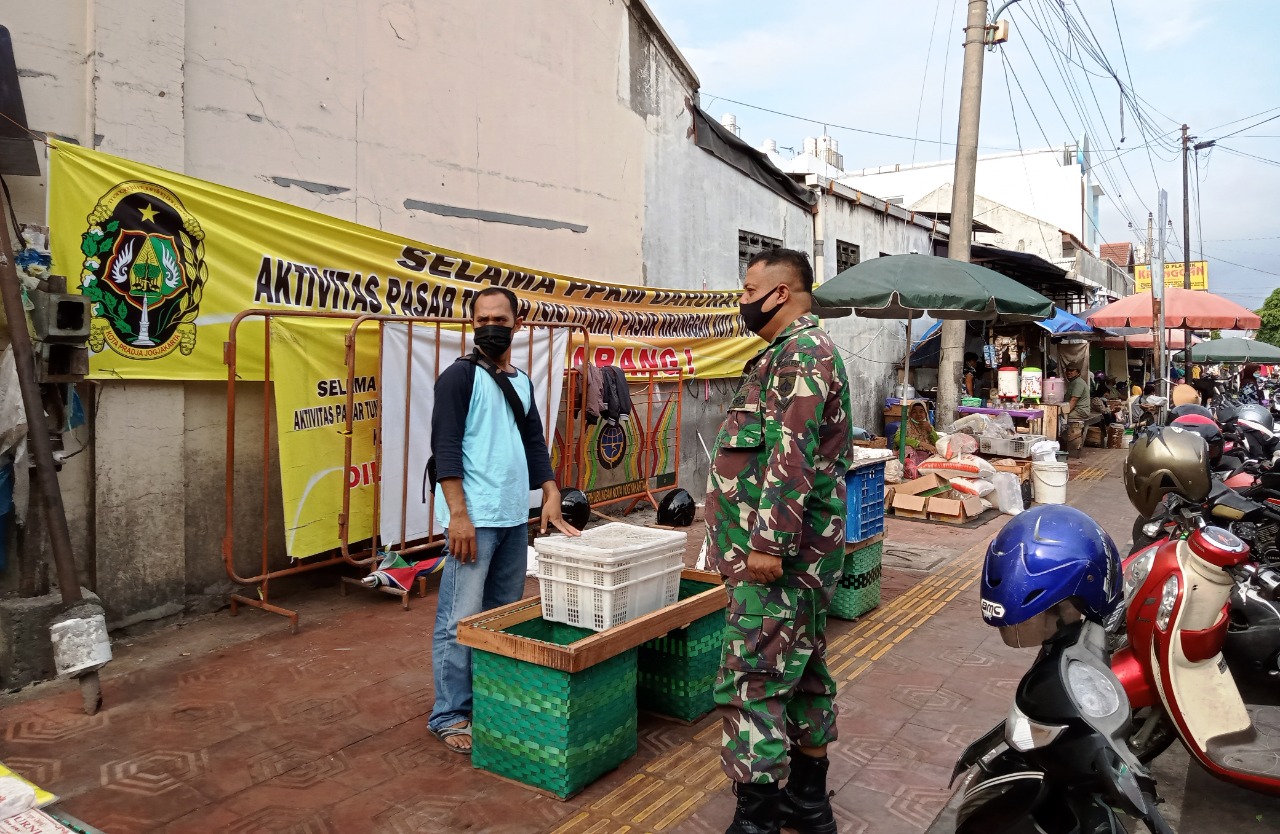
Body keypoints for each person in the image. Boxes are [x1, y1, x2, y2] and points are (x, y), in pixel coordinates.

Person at [707, 248, 852, 834]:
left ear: (783, 293)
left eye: (748, 290)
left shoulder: (800, 355)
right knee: (805, 673)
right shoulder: (792, 354)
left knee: (754, 681)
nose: (741, 300)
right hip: (801, 558)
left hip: (779, 561)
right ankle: (809, 804)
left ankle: (758, 820)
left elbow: (789, 456)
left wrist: (766, 545)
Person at [427, 286, 579, 753]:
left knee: (499, 618)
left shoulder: (523, 382)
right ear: (473, 325)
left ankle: (486, 699)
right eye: (482, 318)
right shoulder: (457, 378)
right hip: (474, 519)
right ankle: (449, 714)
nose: (491, 326)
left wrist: (550, 493)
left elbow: (536, 442)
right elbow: (445, 448)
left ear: (518, 323)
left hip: (514, 518)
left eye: (500, 318)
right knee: (460, 618)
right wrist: (458, 516)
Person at [892, 401, 938, 479]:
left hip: (926, 458)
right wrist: (920, 444)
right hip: (911, 457)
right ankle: (911, 472)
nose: (918, 414)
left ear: (925, 413)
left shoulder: (928, 426)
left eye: (921, 411)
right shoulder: (905, 425)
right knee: (907, 448)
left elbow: (938, 443)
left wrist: (930, 430)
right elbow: (897, 439)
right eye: (914, 412)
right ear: (910, 414)